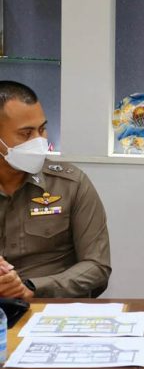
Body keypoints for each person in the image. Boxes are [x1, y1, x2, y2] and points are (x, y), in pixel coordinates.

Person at [0, 80, 111, 299]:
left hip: (50, 307)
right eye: (26, 133)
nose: (39, 141)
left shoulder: (71, 184)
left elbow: (97, 266)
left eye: (42, 129)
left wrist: (32, 287)